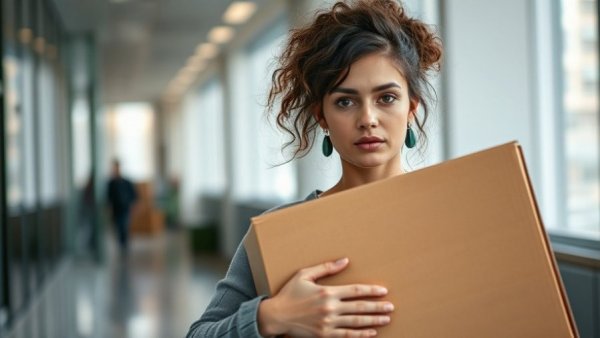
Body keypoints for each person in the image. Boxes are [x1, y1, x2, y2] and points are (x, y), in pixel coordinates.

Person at [187, 0, 442, 336]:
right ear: (322, 117)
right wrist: (271, 316)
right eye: (345, 101)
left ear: (411, 108)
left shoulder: (449, 212)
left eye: (386, 98)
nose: (367, 119)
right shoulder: (280, 232)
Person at [107, 159, 138, 253]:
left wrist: (133, 206)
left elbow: (134, 195)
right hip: (116, 210)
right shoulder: (111, 183)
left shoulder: (126, 182)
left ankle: (125, 245)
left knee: (124, 227)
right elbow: (109, 197)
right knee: (118, 227)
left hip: (125, 209)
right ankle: (121, 245)